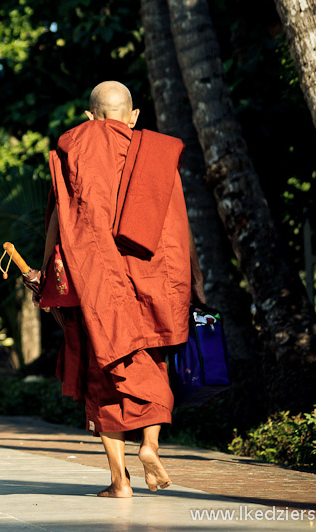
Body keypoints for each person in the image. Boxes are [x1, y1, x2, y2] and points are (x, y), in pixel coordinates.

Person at [38, 81, 206, 498]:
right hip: (156, 282)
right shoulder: (157, 153)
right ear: (132, 117)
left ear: (89, 115)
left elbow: (63, 217)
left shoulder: (74, 148)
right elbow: (177, 224)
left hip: (100, 283)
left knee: (103, 376)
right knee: (150, 358)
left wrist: (45, 275)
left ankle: (120, 482)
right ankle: (149, 445)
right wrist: (194, 279)